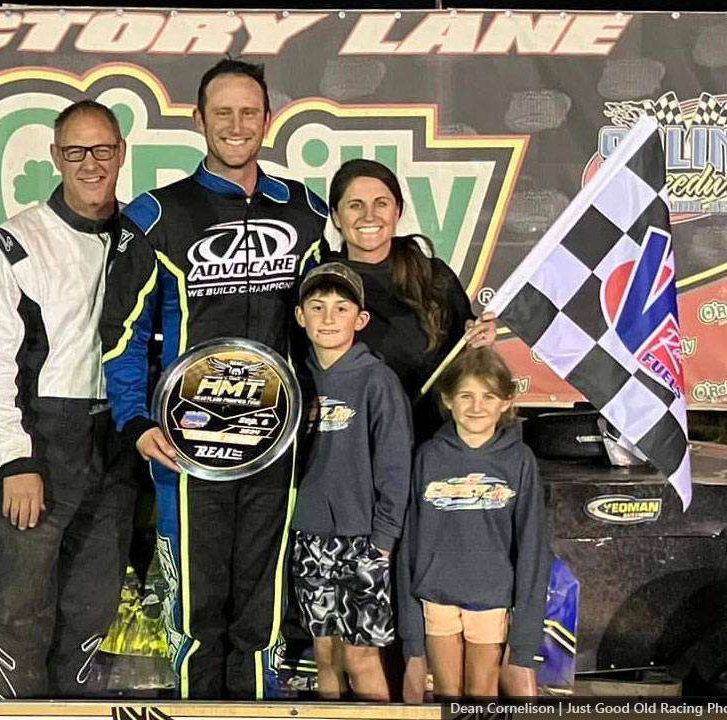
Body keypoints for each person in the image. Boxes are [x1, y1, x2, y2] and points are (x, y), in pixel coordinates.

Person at [100, 59, 326, 700]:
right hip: (188, 441)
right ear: (198, 120)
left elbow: (321, 318)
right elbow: (123, 332)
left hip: (276, 440)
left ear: (268, 119)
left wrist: (312, 396)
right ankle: (200, 712)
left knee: (263, 603)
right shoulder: (157, 214)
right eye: (221, 112)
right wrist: (135, 419)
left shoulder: (305, 210)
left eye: (248, 112)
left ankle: (256, 708)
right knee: (198, 605)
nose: (236, 125)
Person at [0, 100, 137, 699]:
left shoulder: (142, 235)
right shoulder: (16, 242)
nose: (90, 164)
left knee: (92, 607)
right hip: (42, 437)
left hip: (118, 439)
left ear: (121, 153)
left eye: (102, 150)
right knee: (18, 609)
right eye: (75, 152)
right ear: (55, 158)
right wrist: (16, 460)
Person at [397, 347, 550, 698]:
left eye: (488, 396)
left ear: (506, 401)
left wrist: (523, 641)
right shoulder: (428, 456)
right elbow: (411, 541)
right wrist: (411, 641)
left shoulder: (520, 460)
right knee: (448, 694)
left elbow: (532, 547)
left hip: (491, 597)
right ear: (448, 399)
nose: (476, 406)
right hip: (436, 597)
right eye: (466, 395)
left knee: (481, 693)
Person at [290, 262, 412, 701]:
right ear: (300, 316)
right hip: (310, 538)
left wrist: (383, 538)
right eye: (317, 307)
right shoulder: (291, 379)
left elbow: (397, 466)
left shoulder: (376, 380)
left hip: (364, 541)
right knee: (324, 655)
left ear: (359, 320)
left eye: (340, 308)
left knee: (361, 658)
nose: (327, 318)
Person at [326, 158, 496, 434]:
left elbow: (466, 362)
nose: (369, 216)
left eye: (381, 203)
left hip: (427, 443)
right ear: (335, 216)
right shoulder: (321, 282)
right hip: (347, 443)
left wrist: (480, 341)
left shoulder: (433, 277)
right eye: (355, 205)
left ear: (398, 211)